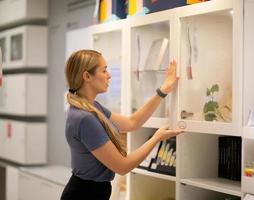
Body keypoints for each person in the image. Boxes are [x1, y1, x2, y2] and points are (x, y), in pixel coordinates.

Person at [61, 49, 183, 200]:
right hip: (85, 194)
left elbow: (132, 123)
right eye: (104, 70)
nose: (109, 75)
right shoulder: (84, 118)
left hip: (90, 191)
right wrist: (156, 138)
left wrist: (163, 90)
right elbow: (122, 166)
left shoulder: (92, 108)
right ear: (87, 76)